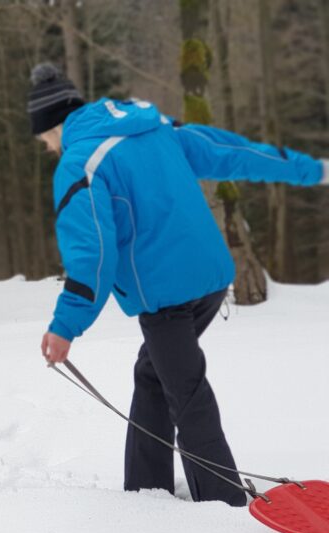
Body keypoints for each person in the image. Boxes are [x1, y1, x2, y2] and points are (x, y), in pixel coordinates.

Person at [29, 63, 329, 506]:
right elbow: (229, 151)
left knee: (187, 395)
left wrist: (65, 326)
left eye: (46, 140)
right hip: (208, 281)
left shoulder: (81, 162)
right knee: (155, 376)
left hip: (165, 297)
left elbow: (92, 254)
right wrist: (313, 170)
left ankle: (224, 505)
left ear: (54, 126)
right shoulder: (154, 127)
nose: (51, 148)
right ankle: (145, 490)